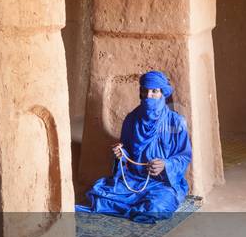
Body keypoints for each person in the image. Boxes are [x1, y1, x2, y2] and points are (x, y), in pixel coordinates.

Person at [76, 70, 192, 223]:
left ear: (163, 93)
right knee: (98, 195)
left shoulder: (176, 122)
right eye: (145, 91)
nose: (149, 96)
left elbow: (184, 156)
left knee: (157, 207)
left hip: (163, 183)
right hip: (133, 180)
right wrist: (121, 154)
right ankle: (135, 206)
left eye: (154, 91)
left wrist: (166, 165)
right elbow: (127, 154)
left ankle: (138, 207)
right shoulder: (131, 119)